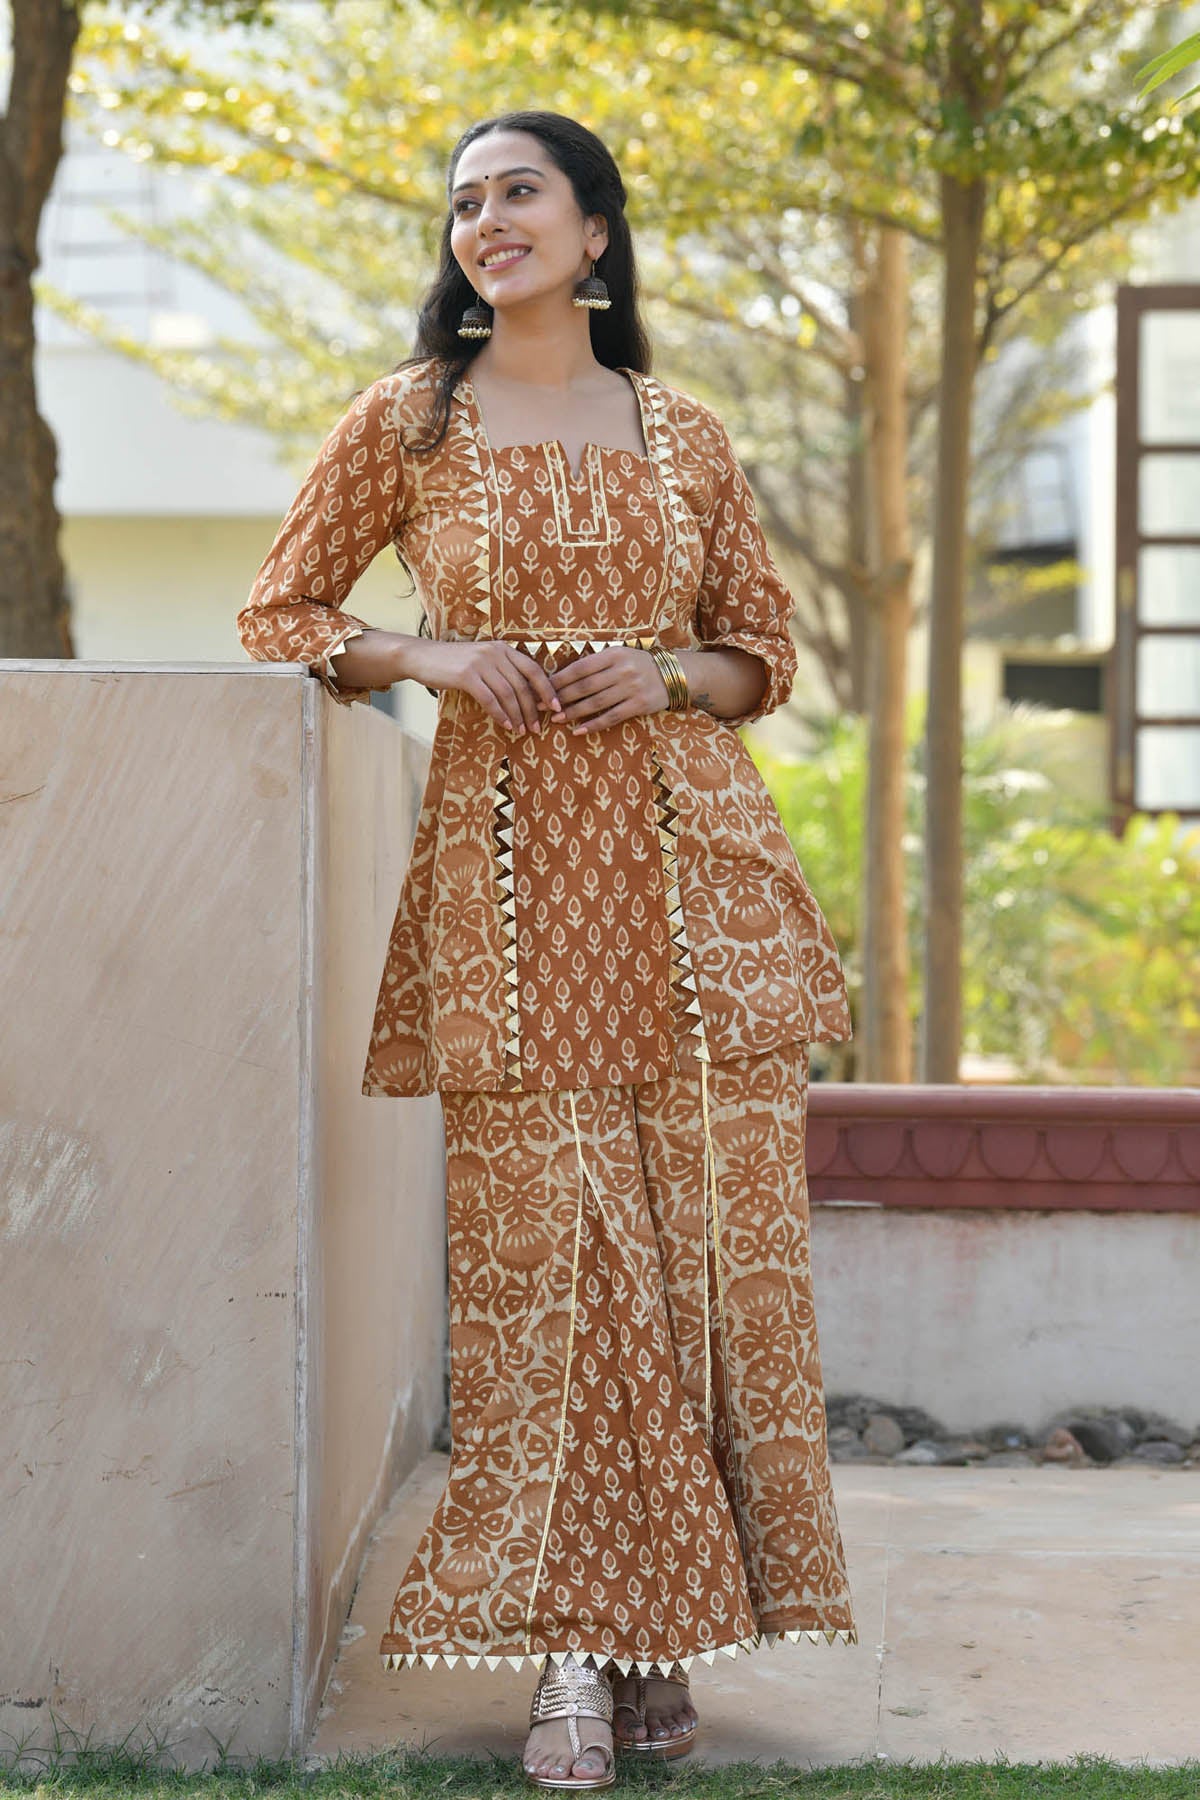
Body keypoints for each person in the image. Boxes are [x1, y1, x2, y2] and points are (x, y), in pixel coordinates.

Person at [238, 108, 856, 1793]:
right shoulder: (410, 420)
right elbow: (284, 611)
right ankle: (572, 1652)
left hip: (696, 891)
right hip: (512, 899)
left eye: (519, 192)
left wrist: (662, 675)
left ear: (595, 230)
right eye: (464, 201)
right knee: (556, 1269)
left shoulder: (684, 434)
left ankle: (656, 1638)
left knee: (697, 1268)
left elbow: (760, 652)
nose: (484, 220)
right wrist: (431, 656)